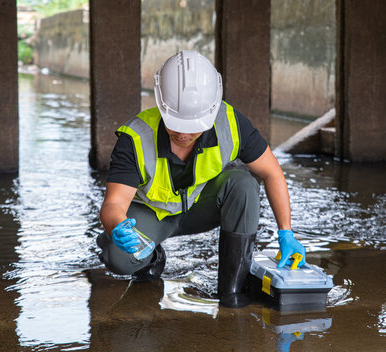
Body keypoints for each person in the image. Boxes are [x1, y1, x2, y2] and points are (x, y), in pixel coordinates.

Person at [97, 50, 306, 308]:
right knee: (117, 256)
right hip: (153, 214)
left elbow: (272, 172)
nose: (184, 133)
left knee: (243, 184)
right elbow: (113, 204)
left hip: (201, 206)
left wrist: (286, 232)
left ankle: (232, 291)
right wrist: (118, 226)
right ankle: (152, 259)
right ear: (161, 105)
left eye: (193, 125)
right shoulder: (136, 138)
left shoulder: (230, 123)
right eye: (176, 123)